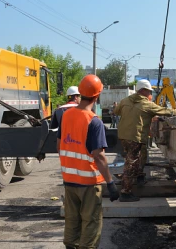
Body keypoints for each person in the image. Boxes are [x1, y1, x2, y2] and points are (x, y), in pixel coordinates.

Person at [58, 74, 120, 249]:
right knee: (91, 223)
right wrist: (110, 182)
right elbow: (99, 156)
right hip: (89, 183)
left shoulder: (66, 115)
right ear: (97, 95)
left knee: (72, 220)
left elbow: (59, 144)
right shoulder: (94, 121)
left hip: (69, 180)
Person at [115, 79, 176, 202]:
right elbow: (165, 111)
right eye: (149, 91)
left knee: (132, 158)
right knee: (131, 163)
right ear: (144, 91)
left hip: (123, 136)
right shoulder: (147, 104)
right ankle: (125, 192)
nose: (150, 94)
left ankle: (138, 176)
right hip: (135, 137)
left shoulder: (125, 101)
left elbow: (116, 111)